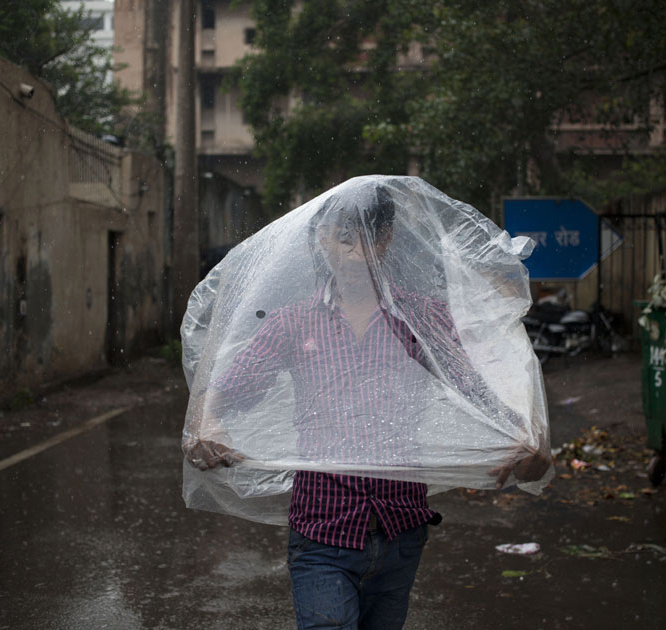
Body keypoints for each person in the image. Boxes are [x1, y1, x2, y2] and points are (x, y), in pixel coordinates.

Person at [183, 182, 550, 630]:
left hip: (400, 529)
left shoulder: (419, 319)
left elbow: (480, 389)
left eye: (369, 237)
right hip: (322, 531)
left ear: (387, 239)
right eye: (343, 237)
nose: (356, 252)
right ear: (321, 238)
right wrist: (206, 423)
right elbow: (226, 390)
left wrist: (527, 438)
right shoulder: (293, 323)